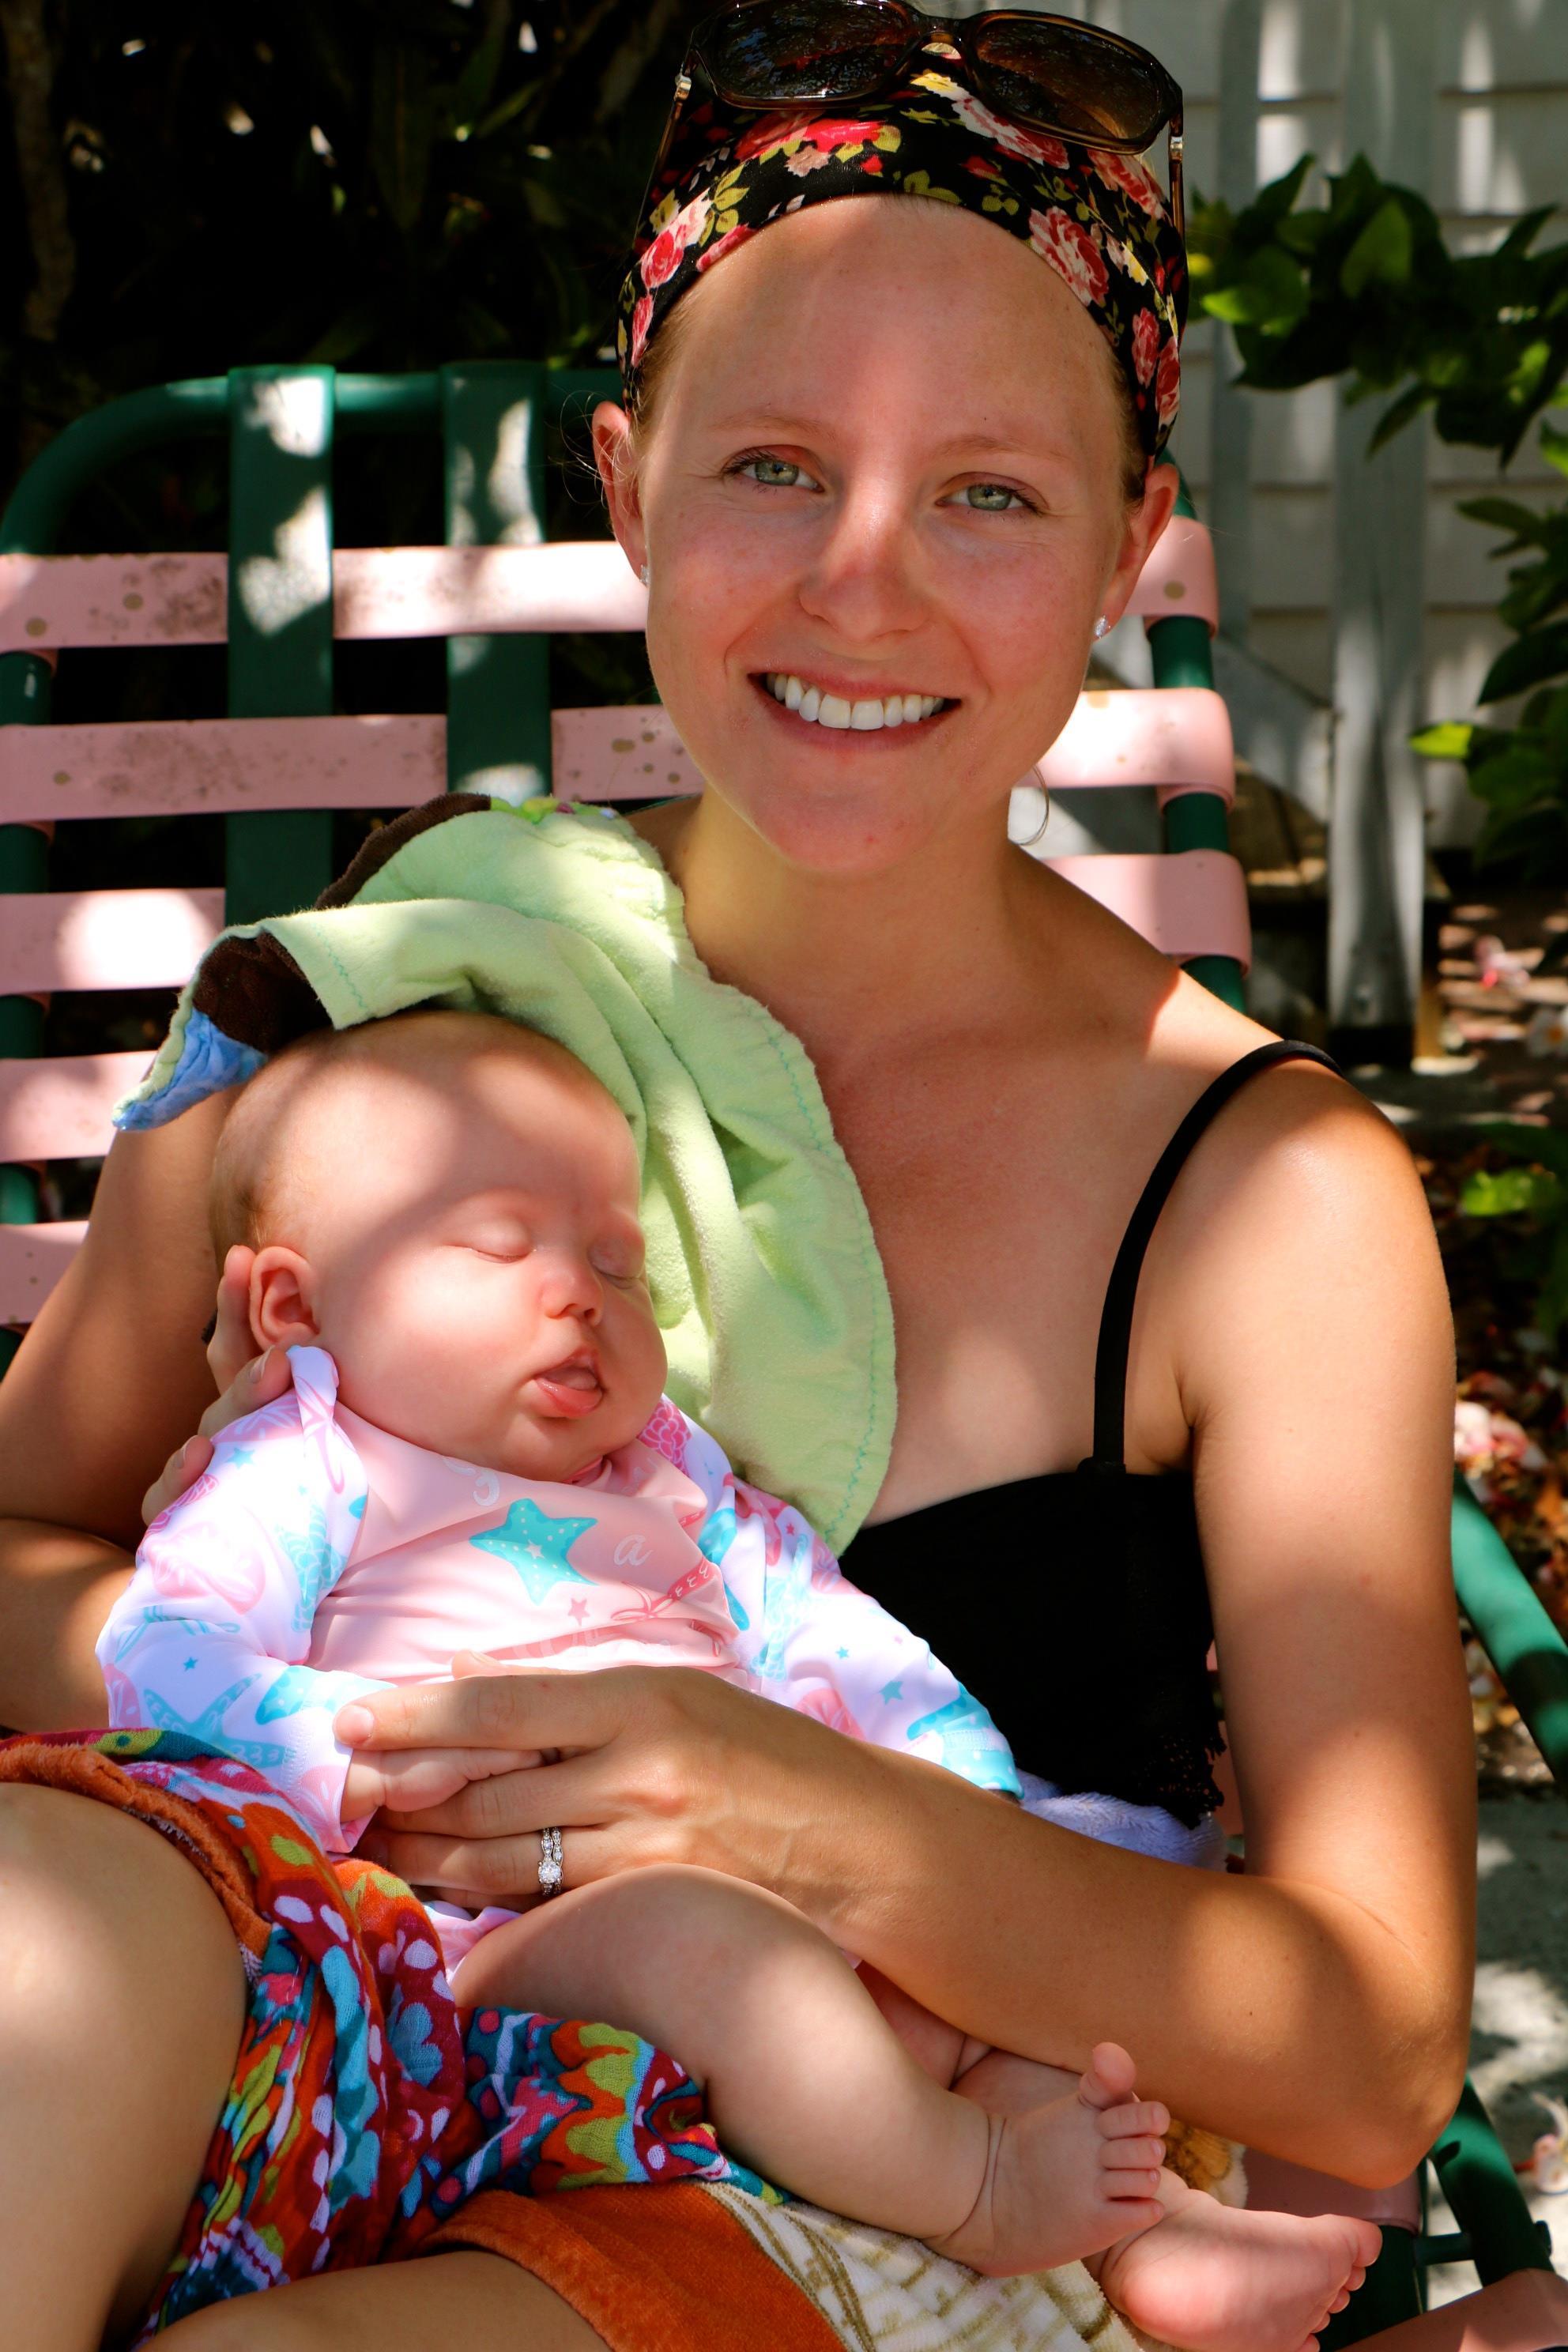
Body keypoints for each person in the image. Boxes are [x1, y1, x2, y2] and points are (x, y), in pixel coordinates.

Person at [2, 4, 1562, 2347]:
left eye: (989, 494)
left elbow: (1364, 2039)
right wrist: (344, 1684)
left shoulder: (1259, 1194)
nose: (860, 582)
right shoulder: (411, 995)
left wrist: (777, 1809)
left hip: (858, 2174)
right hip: (313, 1971)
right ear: (627, 488)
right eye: (771, 467)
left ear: (1129, 542)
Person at [92, 1004, 1380, 2346]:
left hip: (764, 1928)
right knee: (715, 1951)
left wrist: (949, 1786)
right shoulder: (304, 1467)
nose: (578, 1291)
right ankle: (982, 2192)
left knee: (964, 1994)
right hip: (468, 1965)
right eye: (498, 1244)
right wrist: (355, 1742)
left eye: (619, 1261)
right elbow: (161, 1660)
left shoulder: (678, 1484)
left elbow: (835, 1637)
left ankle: (1145, 2233)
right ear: (293, 1306)